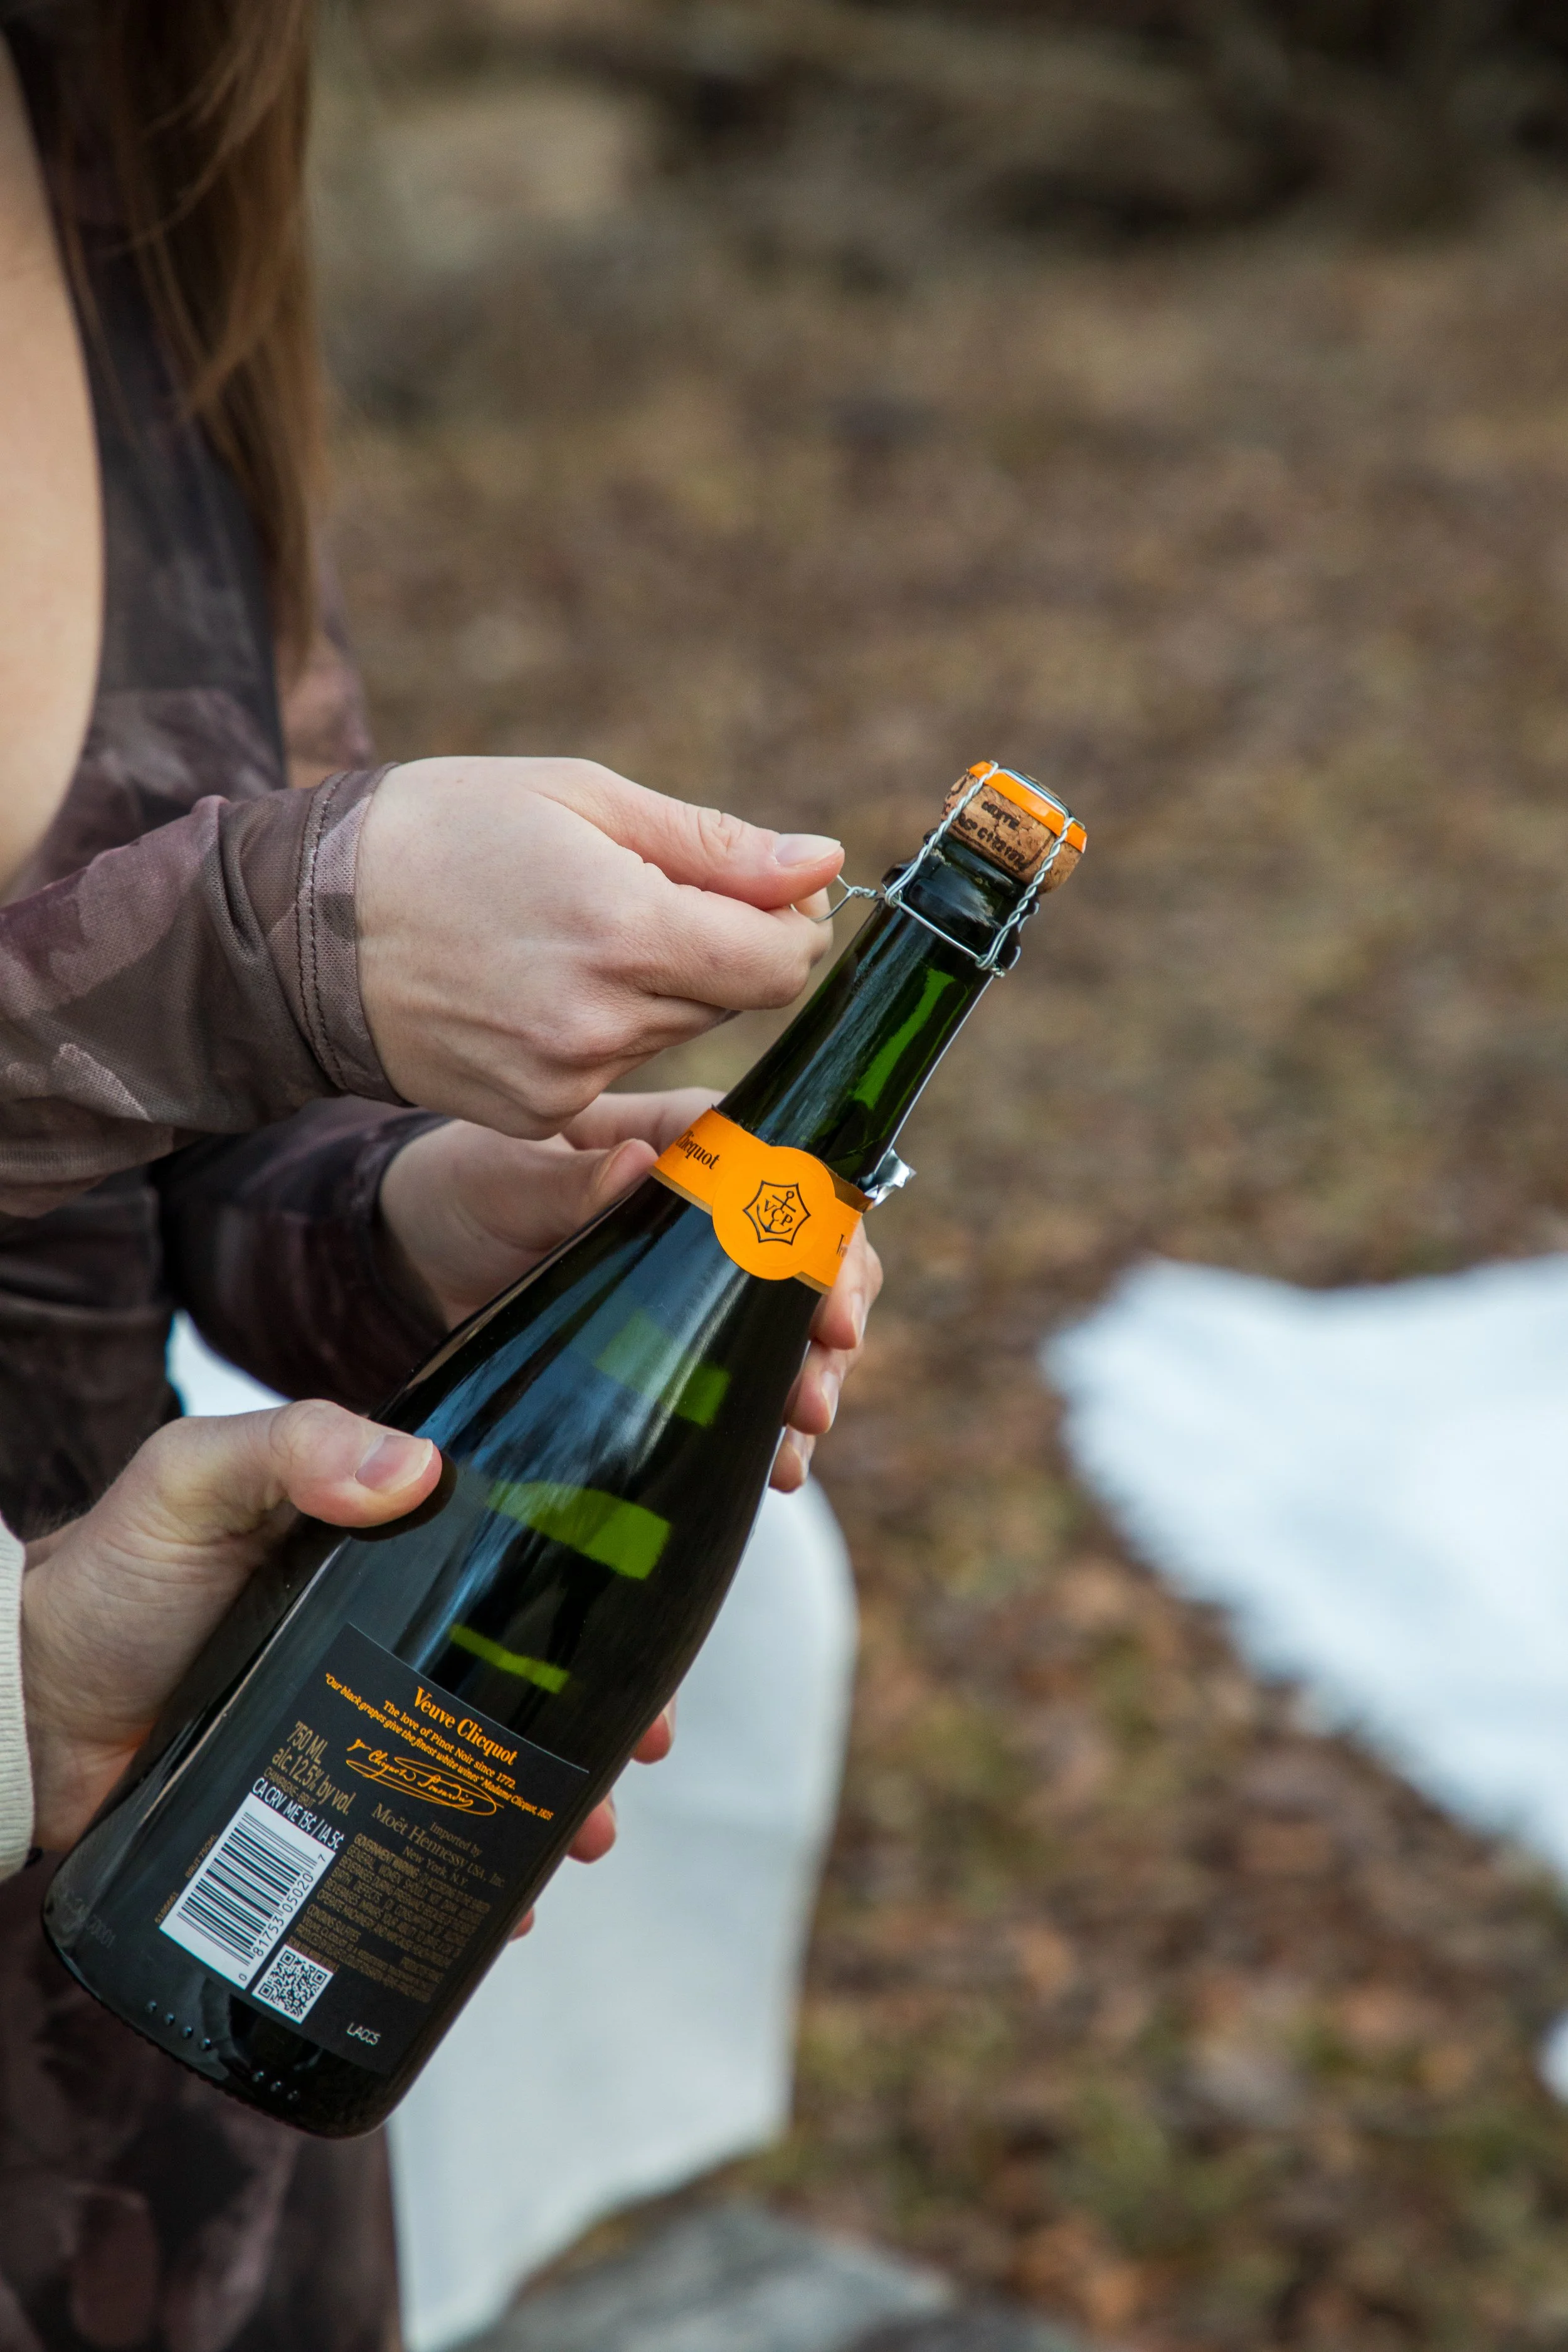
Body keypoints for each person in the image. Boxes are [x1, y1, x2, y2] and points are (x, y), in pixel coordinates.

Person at [0, 7, 881, 2347]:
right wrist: (261, 939)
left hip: (144, 1923)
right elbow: (223, 971)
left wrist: (431, 1226)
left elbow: (178, 1167)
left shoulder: (129, 146)